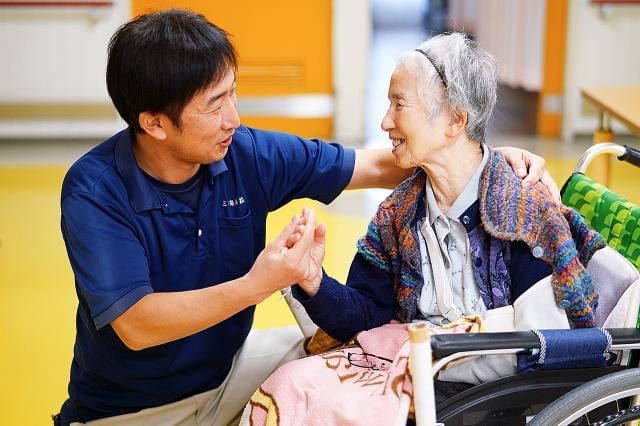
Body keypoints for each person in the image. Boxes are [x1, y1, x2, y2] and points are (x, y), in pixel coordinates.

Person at [56, 10, 556, 426]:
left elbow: (375, 164)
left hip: (228, 370)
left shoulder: (243, 151)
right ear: (154, 123)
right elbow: (137, 326)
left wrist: (482, 156)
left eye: (233, 92)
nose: (234, 116)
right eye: (214, 105)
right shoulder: (95, 190)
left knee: (345, 366)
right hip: (136, 408)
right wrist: (261, 283)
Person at [241, 32, 605, 423]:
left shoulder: (523, 214)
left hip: (486, 395)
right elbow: (366, 318)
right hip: (414, 367)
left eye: (399, 105)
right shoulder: (397, 215)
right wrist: (314, 282)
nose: (385, 121)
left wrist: (434, 358)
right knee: (291, 385)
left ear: (454, 119)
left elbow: (545, 346)